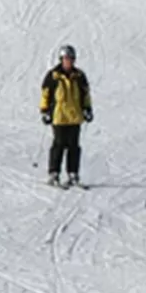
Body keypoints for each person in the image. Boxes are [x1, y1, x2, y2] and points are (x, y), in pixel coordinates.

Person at [39, 44, 92, 187]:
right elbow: (45, 94)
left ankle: (73, 174)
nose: (69, 61)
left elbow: (85, 94)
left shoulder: (79, 76)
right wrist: (44, 111)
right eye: (66, 59)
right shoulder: (53, 76)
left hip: (75, 116)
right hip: (59, 116)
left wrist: (87, 109)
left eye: (71, 59)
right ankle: (54, 173)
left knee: (74, 146)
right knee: (59, 145)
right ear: (61, 59)